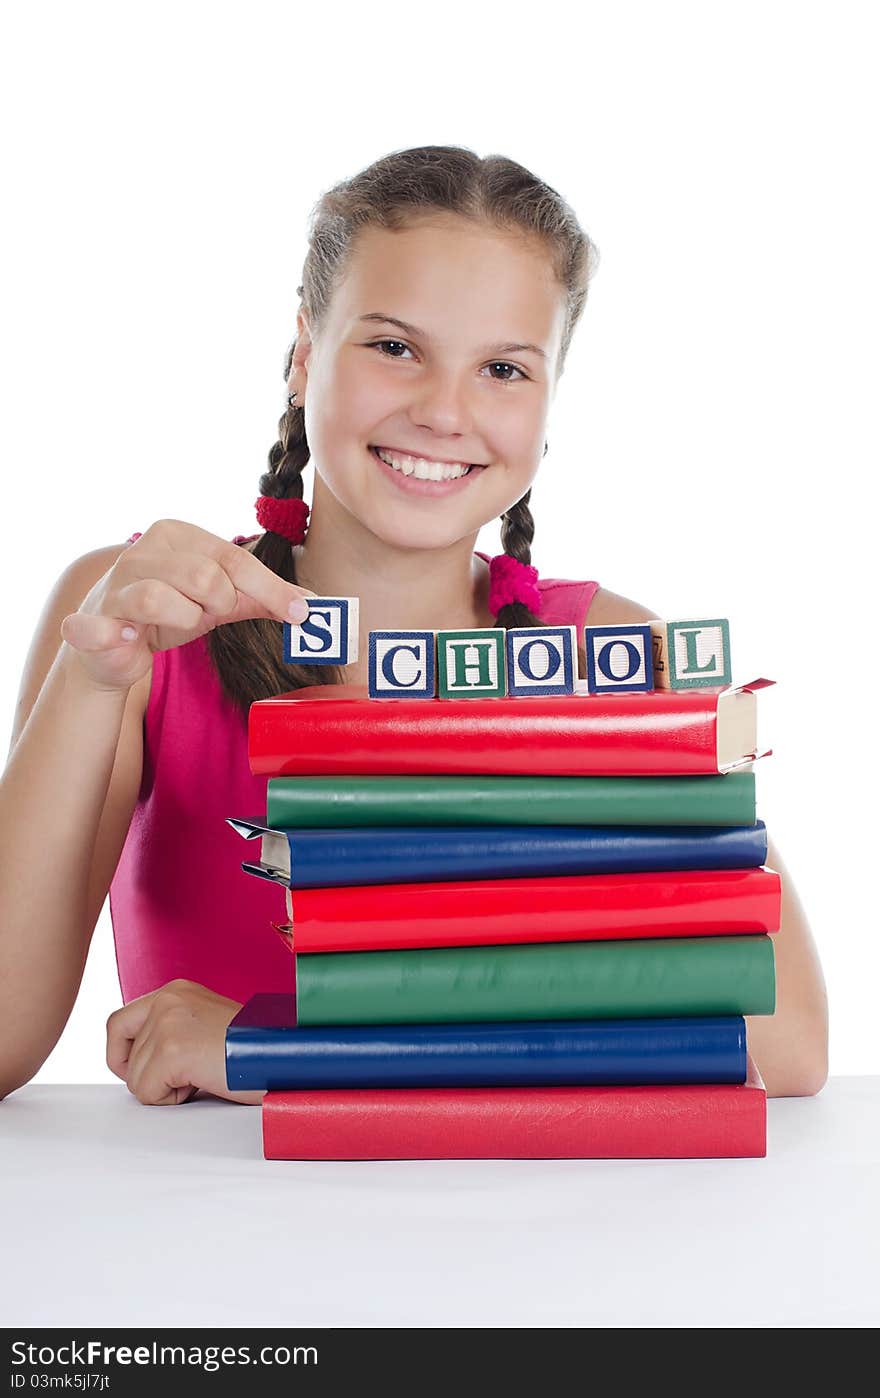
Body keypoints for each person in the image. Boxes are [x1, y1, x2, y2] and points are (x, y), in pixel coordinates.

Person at [0, 145, 827, 1108]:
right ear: (305, 352)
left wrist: (277, 1050)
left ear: (551, 402)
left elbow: (787, 1045)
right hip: (222, 1238)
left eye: (504, 368)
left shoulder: (612, 655)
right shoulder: (136, 616)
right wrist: (92, 682)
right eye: (394, 347)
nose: (443, 411)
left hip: (545, 1230)